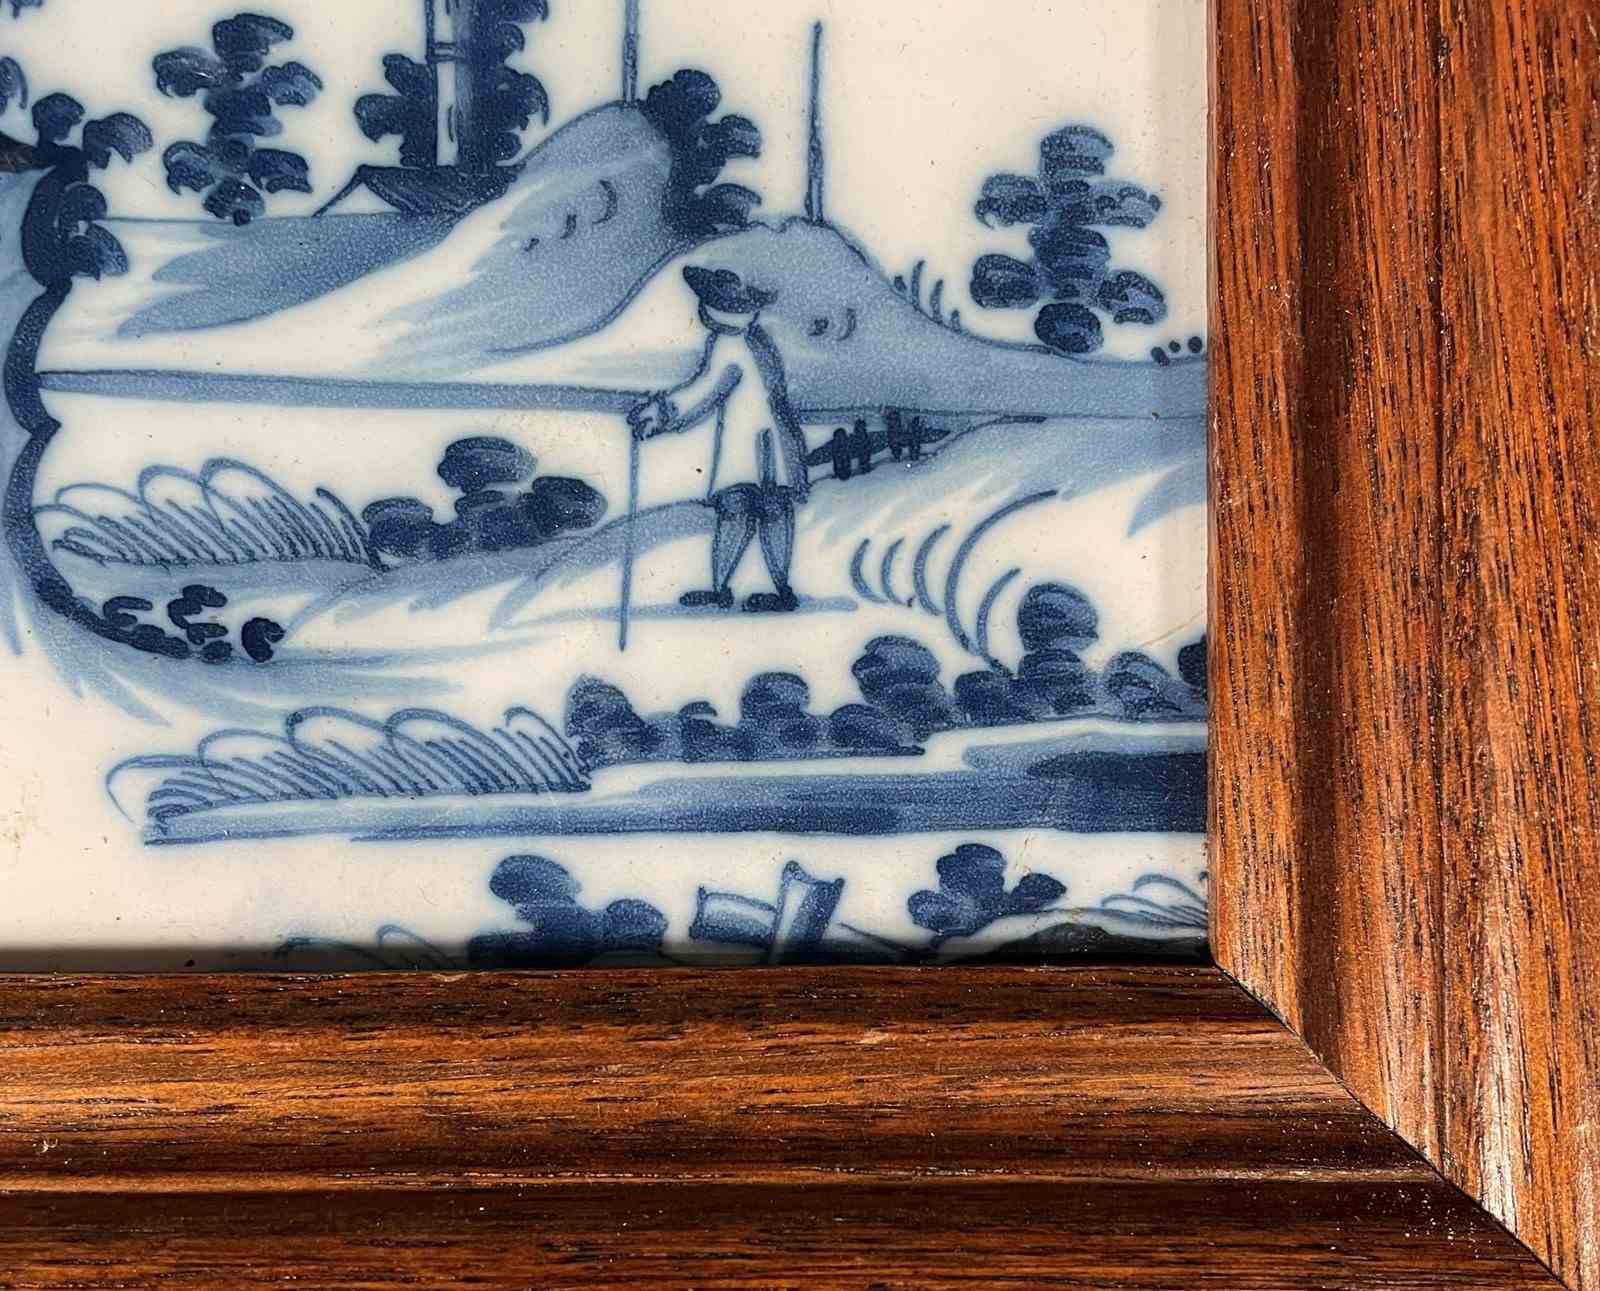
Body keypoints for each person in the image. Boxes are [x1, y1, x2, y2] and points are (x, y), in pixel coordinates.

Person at [629, 266, 810, 613]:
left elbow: (706, 391)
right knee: (762, 513)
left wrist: (661, 413)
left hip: (756, 450)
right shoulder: (754, 340)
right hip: (767, 446)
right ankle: (761, 588)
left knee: (748, 513)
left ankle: (750, 588)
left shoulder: (731, 344)